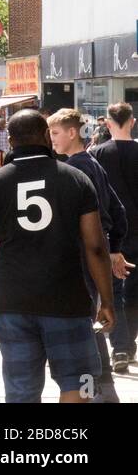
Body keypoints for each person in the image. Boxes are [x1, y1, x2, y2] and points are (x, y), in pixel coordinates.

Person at [0, 108, 114, 403]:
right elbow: (96, 246)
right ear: (45, 136)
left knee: (21, 391)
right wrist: (106, 299)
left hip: (13, 303)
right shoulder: (75, 179)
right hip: (68, 300)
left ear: (10, 141)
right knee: (80, 385)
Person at [48, 108, 129, 402]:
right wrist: (115, 248)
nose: (52, 139)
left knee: (85, 327)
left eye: (55, 133)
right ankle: (105, 392)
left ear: (72, 133)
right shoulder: (93, 163)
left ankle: (97, 392)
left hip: (82, 256)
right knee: (91, 324)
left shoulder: (75, 169)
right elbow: (118, 212)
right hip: (97, 251)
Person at [94, 103, 138, 372]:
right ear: (132, 122)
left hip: (111, 233)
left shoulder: (97, 153)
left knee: (115, 290)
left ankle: (121, 347)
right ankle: (127, 343)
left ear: (108, 123)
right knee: (134, 292)